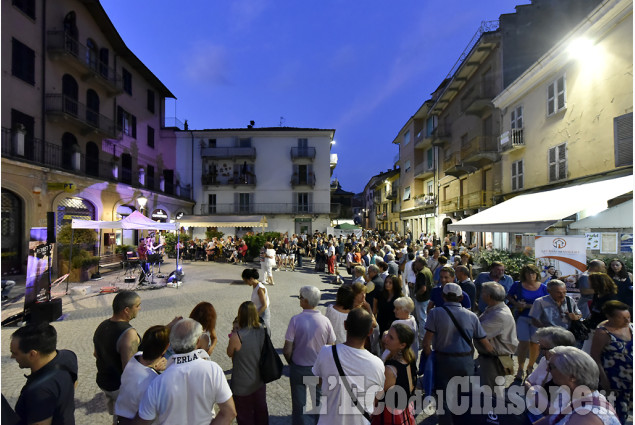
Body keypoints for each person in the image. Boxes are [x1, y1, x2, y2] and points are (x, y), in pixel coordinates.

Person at [137, 319, 236, 425]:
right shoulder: (213, 370)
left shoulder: (157, 382)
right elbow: (229, 413)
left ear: (171, 344)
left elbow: (143, 421)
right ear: (198, 342)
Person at [422, 283, 494, 425]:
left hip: (443, 360)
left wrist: (431, 358)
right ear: (461, 298)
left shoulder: (435, 313)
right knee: (465, 395)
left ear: (443, 297)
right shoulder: (472, 316)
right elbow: (485, 344)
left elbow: (426, 343)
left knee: (443, 397)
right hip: (465, 360)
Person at [312, 308, 385, 425]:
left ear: (345, 325)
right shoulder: (377, 364)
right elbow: (377, 397)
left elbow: (320, 382)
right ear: (370, 331)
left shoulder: (326, 352)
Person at [284, 286, 336, 425]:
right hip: (318, 369)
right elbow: (331, 346)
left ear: (306, 301)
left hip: (299, 367)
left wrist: (291, 362)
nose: (299, 299)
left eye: (300, 297)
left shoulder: (295, 320)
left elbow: (287, 349)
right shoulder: (325, 321)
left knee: (298, 404)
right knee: (318, 402)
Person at [10, 323, 78, 425]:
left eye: (15, 353)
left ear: (33, 354)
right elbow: (74, 383)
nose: (12, 357)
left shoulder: (38, 391)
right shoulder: (68, 355)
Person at [93, 290, 142, 421]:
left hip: (104, 381)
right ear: (127, 310)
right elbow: (130, 369)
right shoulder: (128, 333)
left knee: (118, 415)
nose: (139, 308)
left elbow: (96, 354)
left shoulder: (102, 326)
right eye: (137, 306)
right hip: (119, 386)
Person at [545, 346, 620, 425]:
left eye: (551, 367)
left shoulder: (586, 416)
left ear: (572, 377)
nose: (547, 369)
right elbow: (552, 419)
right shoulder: (587, 398)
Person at [115, 325, 170, 424]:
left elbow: (143, 371)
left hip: (121, 415)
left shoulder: (136, 357)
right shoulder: (155, 381)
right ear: (165, 348)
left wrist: (153, 368)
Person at [590, 300, 633, 424]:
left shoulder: (631, 327)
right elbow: (595, 357)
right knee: (616, 415)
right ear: (609, 317)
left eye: (628, 317)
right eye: (622, 318)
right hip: (614, 381)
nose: (627, 321)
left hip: (631, 381)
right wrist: (604, 380)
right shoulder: (603, 333)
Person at [227, 302, 269, 425]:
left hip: (241, 384)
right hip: (259, 380)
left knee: (245, 416)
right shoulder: (262, 329)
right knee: (261, 413)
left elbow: (230, 353)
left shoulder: (237, 336)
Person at [507, 263, 548, 381]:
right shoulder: (518, 285)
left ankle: (530, 367)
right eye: (528, 273)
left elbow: (547, 303)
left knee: (535, 344)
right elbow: (509, 296)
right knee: (523, 343)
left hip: (537, 319)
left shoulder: (543, 287)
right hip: (522, 317)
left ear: (537, 274)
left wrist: (529, 306)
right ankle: (520, 368)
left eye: (533, 273)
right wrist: (516, 304)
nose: (531, 275)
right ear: (524, 274)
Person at [476, 282, 518, 388]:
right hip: (492, 357)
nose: (481, 295)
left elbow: (478, 332)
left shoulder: (499, 315)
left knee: (491, 391)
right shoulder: (494, 309)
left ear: (488, 296)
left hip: (496, 359)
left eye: (483, 292)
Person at [373, 324, 417, 424]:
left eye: (391, 338)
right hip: (405, 411)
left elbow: (379, 396)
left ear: (402, 345)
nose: (386, 339)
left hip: (390, 415)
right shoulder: (409, 358)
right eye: (388, 334)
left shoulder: (390, 370)